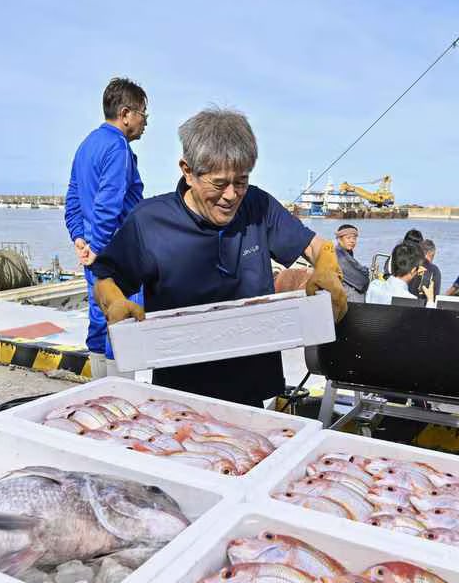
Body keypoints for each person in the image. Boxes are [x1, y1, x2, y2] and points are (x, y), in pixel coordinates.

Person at [89, 106, 348, 407]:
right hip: (179, 392)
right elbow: (106, 278)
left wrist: (328, 267)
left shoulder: (258, 206)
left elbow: (317, 246)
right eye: (219, 183)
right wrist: (115, 302)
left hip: (252, 389)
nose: (231, 195)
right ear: (187, 171)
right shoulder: (149, 222)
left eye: (241, 181)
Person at [64, 77, 148, 378]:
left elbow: (73, 198)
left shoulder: (86, 145)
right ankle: (122, 395)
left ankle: (98, 388)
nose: (145, 123)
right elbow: (108, 204)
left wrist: (80, 239)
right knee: (123, 322)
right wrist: (98, 249)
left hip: (94, 251)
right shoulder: (118, 148)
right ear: (125, 114)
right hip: (117, 255)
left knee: (98, 320)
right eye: (143, 114)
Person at [334, 223, 369, 301]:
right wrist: (365, 272)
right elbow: (361, 282)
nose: (352, 241)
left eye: (354, 238)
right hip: (347, 299)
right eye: (348, 238)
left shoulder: (346, 253)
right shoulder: (339, 257)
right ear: (339, 239)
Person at [418, 237, 443, 301]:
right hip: (426, 306)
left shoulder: (411, 266)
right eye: (433, 255)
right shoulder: (435, 270)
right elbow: (435, 295)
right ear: (430, 253)